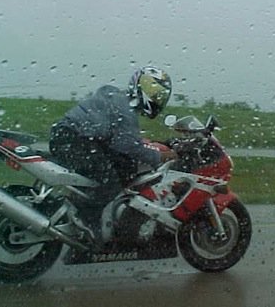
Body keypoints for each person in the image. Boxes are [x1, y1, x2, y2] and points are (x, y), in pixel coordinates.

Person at [49, 66, 178, 245]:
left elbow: (122, 138)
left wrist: (150, 145)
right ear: (138, 85)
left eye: (159, 94)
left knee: (124, 167)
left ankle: (100, 212)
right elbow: (125, 145)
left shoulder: (119, 100)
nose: (156, 98)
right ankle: (87, 221)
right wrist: (161, 157)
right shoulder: (125, 107)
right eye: (153, 91)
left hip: (73, 138)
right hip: (73, 140)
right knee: (109, 181)